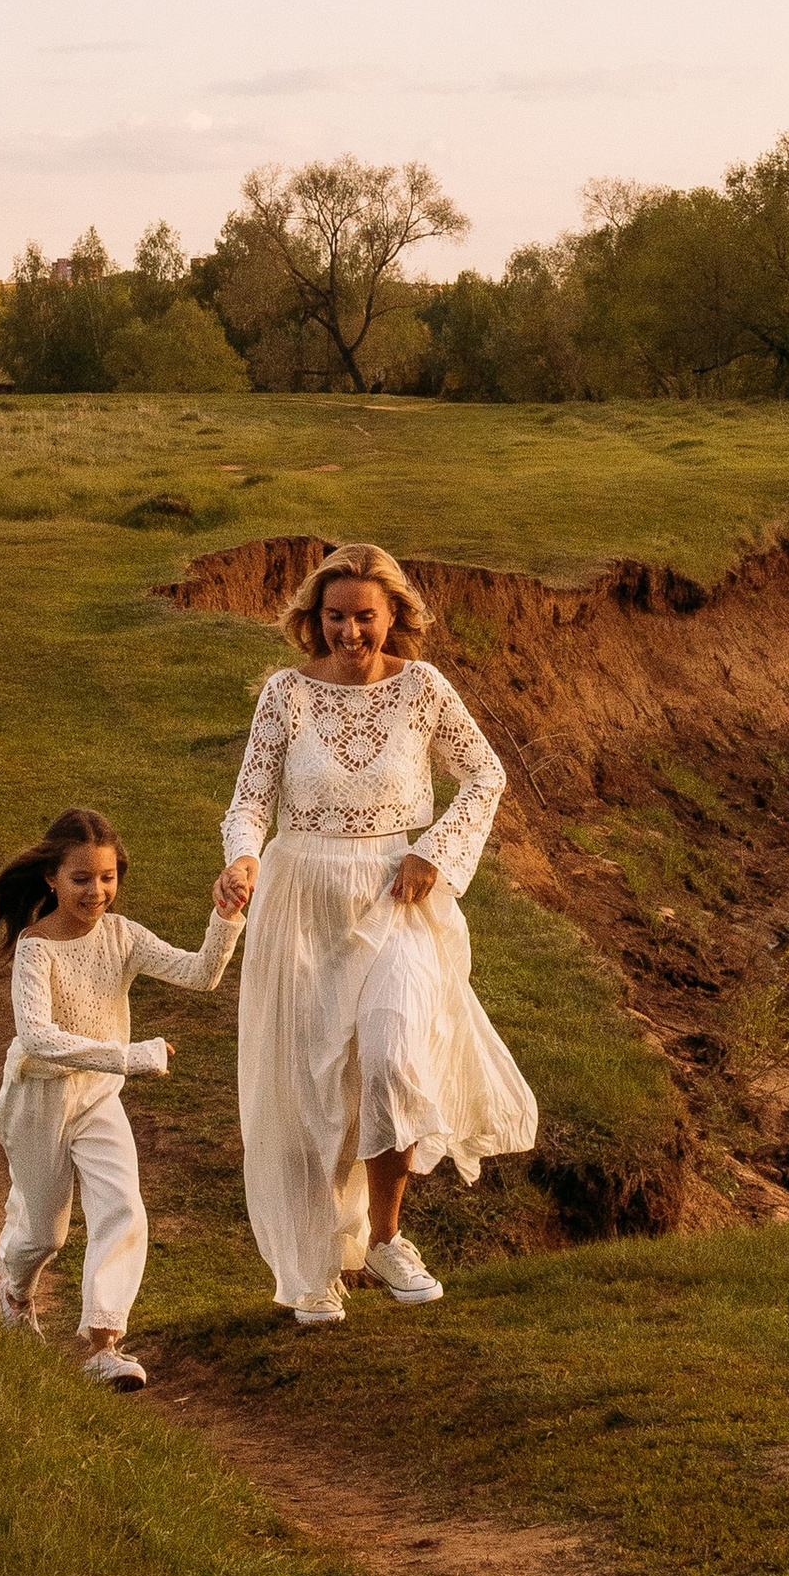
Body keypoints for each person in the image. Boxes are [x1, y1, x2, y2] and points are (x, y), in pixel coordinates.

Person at [212, 541, 536, 1329]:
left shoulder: (421, 688)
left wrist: (436, 851)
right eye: (335, 616)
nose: (350, 632)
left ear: (394, 615)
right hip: (302, 899)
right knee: (310, 1090)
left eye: (365, 616)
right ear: (313, 617)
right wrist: (243, 859)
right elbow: (251, 799)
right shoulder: (286, 694)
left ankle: (387, 1238)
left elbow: (485, 773)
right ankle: (317, 1264)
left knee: (391, 1054)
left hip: (397, 894)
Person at [0, 806, 242, 1391]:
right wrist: (130, 1055)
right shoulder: (36, 948)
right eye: (81, 879)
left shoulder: (123, 936)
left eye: (107, 877)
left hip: (98, 1097)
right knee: (44, 1234)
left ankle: (104, 1344)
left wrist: (225, 917)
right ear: (51, 878)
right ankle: (15, 1292)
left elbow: (200, 974)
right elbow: (37, 1038)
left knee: (123, 1206)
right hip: (38, 1100)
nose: (96, 891)